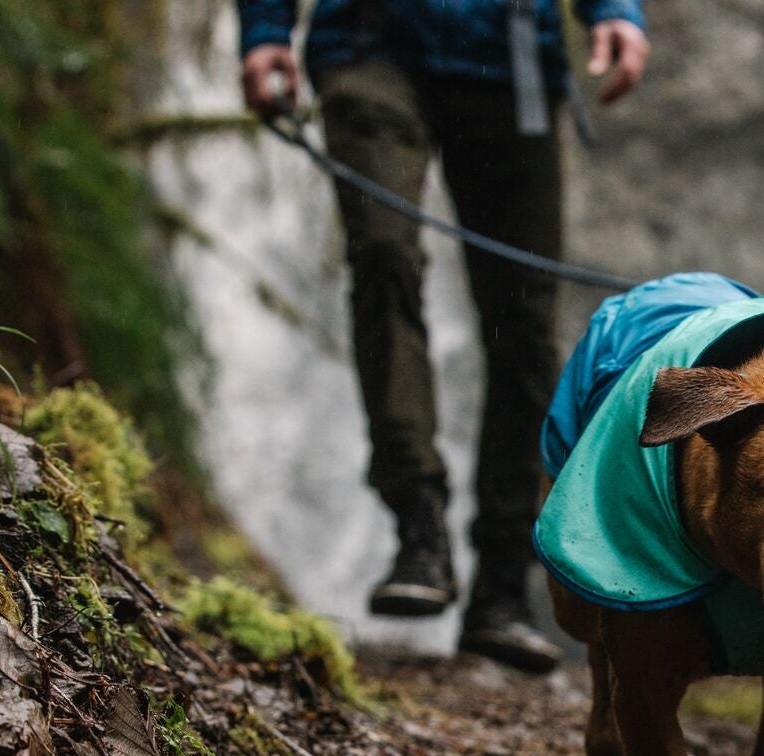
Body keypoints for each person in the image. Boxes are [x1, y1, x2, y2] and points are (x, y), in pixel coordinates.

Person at [237, 0, 651, 673]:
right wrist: (263, 30)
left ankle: (504, 582)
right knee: (383, 256)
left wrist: (615, 10)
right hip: (369, 47)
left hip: (512, 58)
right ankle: (418, 519)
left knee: (522, 323)